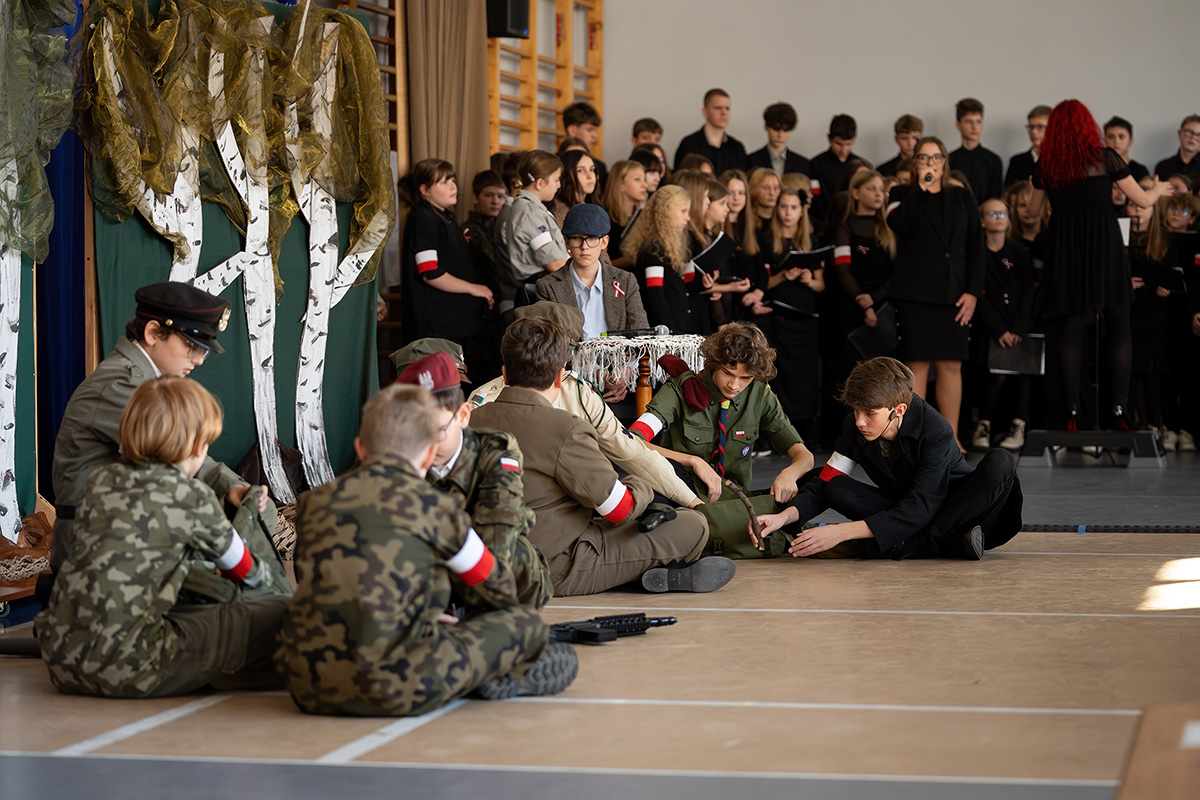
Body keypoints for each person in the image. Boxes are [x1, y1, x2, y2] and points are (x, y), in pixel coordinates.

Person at [276, 384, 577, 716]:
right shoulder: (437, 508)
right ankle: (489, 673)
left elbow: (312, 579)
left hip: (307, 684)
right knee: (524, 625)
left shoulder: (314, 503)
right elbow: (497, 589)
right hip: (396, 688)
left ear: (360, 448)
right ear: (428, 454)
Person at [40, 377, 291, 698]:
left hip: (61, 660)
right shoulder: (191, 495)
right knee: (284, 613)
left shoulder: (100, 482)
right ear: (198, 447)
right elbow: (246, 571)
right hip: (128, 668)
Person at [470, 317, 734, 597]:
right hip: (552, 566)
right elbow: (620, 510)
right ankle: (639, 573)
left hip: (483, 563)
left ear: (505, 374)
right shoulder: (565, 427)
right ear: (560, 376)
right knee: (692, 526)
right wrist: (639, 485)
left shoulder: (470, 419)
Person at [50, 282, 263, 575]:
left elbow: (185, 456)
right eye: (191, 345)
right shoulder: (123, 385)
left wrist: (232, 486)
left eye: (204, 351)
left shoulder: (145, 382)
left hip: (123, 534)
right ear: (152, 332)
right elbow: (176, 460)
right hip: (101, 548)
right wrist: (226, 491)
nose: (198, 360)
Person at [753, 357, 1022, 560]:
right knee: (834, 486)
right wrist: (783, 518)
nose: (859, 421)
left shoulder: (936, 430)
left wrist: (841, 532)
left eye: (870, 414)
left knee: (1001, 461)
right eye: (856, 411)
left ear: (899, 410)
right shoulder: (854, 426)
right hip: (907, 509)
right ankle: (943, 543)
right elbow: (826, 481)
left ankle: (914, 544)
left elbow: (921, 506)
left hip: (963, 513)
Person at [1027, 99, 1174, 430]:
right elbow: (1142, 200)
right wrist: (1158, 189)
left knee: (1070, 331)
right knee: (1120, 327)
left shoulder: (1047, 164)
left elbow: (1032, 214)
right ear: (1087, 126)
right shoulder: (1105, 158)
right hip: (1105, 248)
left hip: (1065, 251)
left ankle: (1071, 412)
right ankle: (1119, 410)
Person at [470, 301, 702, 508]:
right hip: (553, 511)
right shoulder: (483, 402)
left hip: (571, 500)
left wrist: (690, 500)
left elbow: (629, 450)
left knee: (668, 493)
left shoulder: (578, 392)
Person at [628, 322, 815, 559]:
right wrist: (694, 461)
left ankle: (700, 535)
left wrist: (790, 473)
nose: (734, 385)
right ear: (714, 362)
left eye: (745, 377)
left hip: (734, 499)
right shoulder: (681, 389)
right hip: (682, 496)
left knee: (819, 482)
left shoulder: (759, 394)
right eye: (728, 372)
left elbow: (804, 456)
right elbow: (631, 441)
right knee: (645, 491)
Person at [395, 352, 552, 609]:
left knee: (516, 553)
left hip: (492, 568)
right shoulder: (399, 455)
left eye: (437, 431)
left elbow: (497, 538)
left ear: (463, 416)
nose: (427, 444)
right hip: (428, 574)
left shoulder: (494, 451)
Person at [887, 136, 985, 450]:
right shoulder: (901, 194)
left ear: (945, 162)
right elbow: (898, 223)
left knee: (951, 364)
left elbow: (976, 246)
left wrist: (973, 292)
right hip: (915, 292)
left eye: (936, 157)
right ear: (914, 162)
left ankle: (951, 436)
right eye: (923, 157)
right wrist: (921, 189)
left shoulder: (962, 196)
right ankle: (914, 437)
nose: (930, 163)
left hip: (954, 291)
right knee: (917, 364)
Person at [400, 159, 495, 370]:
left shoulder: (443, 216)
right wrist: (474, 288)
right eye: (444, 182)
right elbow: (429, 272)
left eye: (453, 180)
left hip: (452, 323)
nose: (453, 186)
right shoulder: (423, 218)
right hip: (435, 326)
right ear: (424, 190)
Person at [757, 187, 823, 440]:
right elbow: (762, 283)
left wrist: (809, 280)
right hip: (779, 318)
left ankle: (807, 431)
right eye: (783, 206)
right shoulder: (767, 239)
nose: (788, 212)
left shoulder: (811, 239)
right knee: (780, 375)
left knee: (805, 377)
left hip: (806, 317)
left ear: (802, 211)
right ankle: (779, 432)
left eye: (794, 207)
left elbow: (821, 284)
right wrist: (784, 275)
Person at [970, 199, 1036, 451]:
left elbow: (1028, 290)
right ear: (982, 221)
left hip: (1018, 325)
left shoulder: (1018, 251)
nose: (998, 218)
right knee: (993, 375)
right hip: (990, 327)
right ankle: (984, 424)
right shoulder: (977, 252)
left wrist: (1018, 328)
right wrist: (998, 329)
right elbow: (978, 293)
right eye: (992, 214)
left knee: (1022, 374)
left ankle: (1018, 425)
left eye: (1003, 213)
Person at [535, 204, 649, 340]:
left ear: (604, 242)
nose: (585, 247)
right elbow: (548, 343)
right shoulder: (548, 286)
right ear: (566, 242)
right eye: (577, 238)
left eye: (592, 238)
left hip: (619, 353)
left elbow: (641, 335)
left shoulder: (625, 281)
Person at [497, 150, 570, 319]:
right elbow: (553, 262)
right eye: (556, 180)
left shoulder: (532, 208)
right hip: (540, 290)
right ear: (540, 183)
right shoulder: (529, 211)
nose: (559, 185)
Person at [624, 184, 701, 333]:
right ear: (666, 212)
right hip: (668, 331)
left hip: (680, 325)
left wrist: (705, 283)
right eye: (683, 211)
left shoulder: (678, 244)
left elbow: (688, 285)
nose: (688, 218)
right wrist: (668, 332)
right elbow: (655, 295)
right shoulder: (654, 248)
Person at [809, 114, 869, 231]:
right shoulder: (816, 165)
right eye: (839, 144)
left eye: (848, 144)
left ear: (854, 139)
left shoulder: (862, 166)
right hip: (823, 225)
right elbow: (816, 200)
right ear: (829, 138)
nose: (843, 150)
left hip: (854, 225)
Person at [673, 88, 747, 174]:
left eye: (727, 108)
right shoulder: (689, 145)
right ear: (705, 112)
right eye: (718, 108)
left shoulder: (736, 148)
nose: (724, 113)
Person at [948, 98, 1003, 201]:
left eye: (978, 122)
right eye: (969, 122)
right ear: (958, 125)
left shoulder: (993, 160)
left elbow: (995, 196)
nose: (974, 127)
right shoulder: (949, 159)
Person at [599, 159, 648, 267]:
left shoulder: (643, 216)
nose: (645, 185)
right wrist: (631, 258)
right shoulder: (603, 218)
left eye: (645, 179)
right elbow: (601, 265)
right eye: (637, 179)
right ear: (620, 184)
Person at [746, 102, 811, 177]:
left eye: (786, 130)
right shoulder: (751, 161)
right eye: (776, 129)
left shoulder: (802, 164)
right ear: (766, 126)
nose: (780, 135)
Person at [548, 149, 600, 229]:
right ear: (566, 174)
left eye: (592, 169)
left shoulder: (589, 207)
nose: (589, 176)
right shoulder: (561, 212)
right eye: (580, 170)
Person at [562, 100, 607, 188]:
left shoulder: (599, 166)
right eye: (589, 130)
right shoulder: (554, 163)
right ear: (572, 130)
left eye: (591, 170)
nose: (595, 135)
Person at [1005, 105, 1052, 188]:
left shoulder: (1060, 162)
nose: (1034, 132)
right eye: (1031, 127)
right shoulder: (1017, 162)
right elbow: (1008, 192)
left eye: (1040, 127)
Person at [1153, 114, 1200, 182]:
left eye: (1198, 135)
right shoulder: (1163, 166)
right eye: (1189, 132)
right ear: (1179, 133)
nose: (1193, 137)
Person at [1103, 116, 1150, 182]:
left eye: (1121, 137)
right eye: (1111, 137)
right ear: (1105, 140)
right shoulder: (1099, 169)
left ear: (1130, 140)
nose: (1116, 141)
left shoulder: (1139, 170)